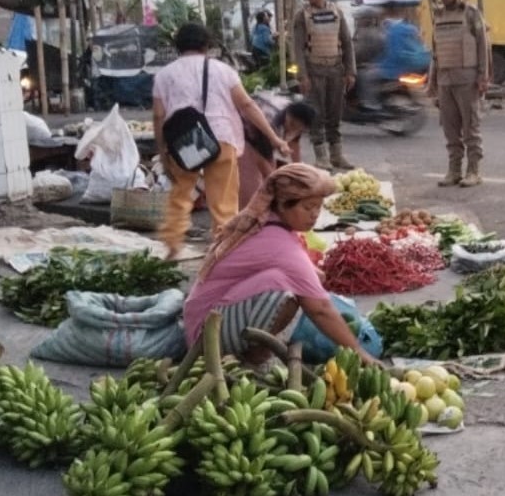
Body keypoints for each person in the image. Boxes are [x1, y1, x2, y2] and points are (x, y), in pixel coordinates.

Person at [182, 163, 377, 366]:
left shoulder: (269, 224)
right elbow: (320, 309)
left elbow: (313, 278)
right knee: (288, 290)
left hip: (207, 315)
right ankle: (255, 356)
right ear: (283, 205)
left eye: (318, 207)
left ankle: (255, 349)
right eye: (307, 207)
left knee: (306, 280)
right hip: (205, 336)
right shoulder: (277, 242)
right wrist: (358, 352)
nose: (315, 214)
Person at [153, 22, 290, 256]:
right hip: (222, 138)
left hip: (184, 142)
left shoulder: (164, 75)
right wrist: (274, 138)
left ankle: (172, 243)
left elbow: (158, 115)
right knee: (224, 202)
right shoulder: (222, 70)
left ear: (178, 47)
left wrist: (163, 149)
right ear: (207, 45)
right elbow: (247, 105)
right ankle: (222, 249)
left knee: (181, 195)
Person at [428, 0, 489, 187]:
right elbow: (435, 51)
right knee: (450, 129)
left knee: (471, 127)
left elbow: (483, 45)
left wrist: (483, 76)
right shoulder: (438, 15)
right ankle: (454, 170)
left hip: (467, 80)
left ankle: (473, 170)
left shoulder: (471, 14)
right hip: (445, 81)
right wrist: (431, 82)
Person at [291, 0, 356, 171]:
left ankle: (337, 155)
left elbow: (346, 42)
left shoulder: (337, 12)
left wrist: (350, 71)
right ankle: (321, 156)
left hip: (335, 70)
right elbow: (297, 49)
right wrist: (301, 76)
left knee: (335, 114)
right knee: (316, 115)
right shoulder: (302, 16)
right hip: (314, 71)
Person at [237, 93, 317, 208]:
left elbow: (294, 144)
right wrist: (274, 180)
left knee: (269, 179)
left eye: (298, 128)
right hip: (243, 134)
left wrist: (299, 170)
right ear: (288, 114)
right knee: (251, 186)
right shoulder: (270, 119)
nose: (293, 129)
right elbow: (262, 157)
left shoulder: (297, 119)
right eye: (292, 124)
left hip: (262, 141)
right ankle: (246, 216)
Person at [362, 1, 430, 111]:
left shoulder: (389, 28)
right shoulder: (410, 27)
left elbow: (390, 52)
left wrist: (376, 64)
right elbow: (422, 45)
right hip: (417, 64)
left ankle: (372, 104)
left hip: (395, 68)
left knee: (367, 77)